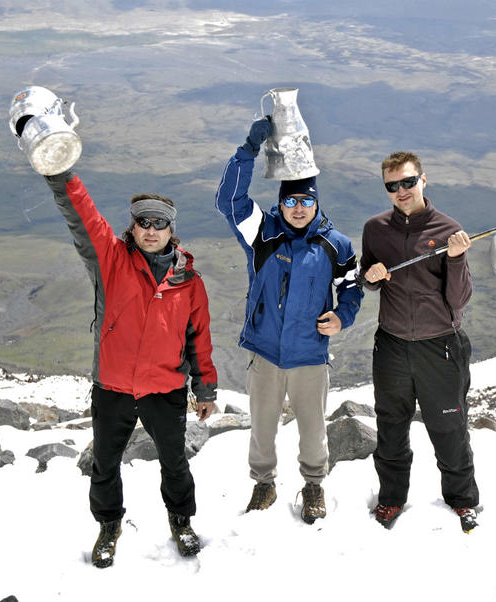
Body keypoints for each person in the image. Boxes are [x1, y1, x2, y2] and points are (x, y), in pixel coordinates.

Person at [43, 168, 218, 564]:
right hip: (114, 387)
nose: (151, 230)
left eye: (160, 224)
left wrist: (205, 388)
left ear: (172, 230)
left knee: (175, 463)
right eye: (144, 222)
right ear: (133, 227)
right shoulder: (111, 261)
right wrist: (59, 172)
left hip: (165, 389)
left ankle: (181, 521)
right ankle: (108, 526)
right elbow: (81, 215)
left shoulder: (189, 281)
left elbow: (199, 340)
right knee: (105, 465)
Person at [214, 117, 363, 524]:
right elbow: (228, 202)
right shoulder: (263, 232)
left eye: (306, 201)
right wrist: (247, 150)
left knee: (313, 429)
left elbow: (352, 287)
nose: (298, 209)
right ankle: (264, 484)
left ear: (316, 203)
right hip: (265, 350)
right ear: (280, 203)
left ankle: (313, 485)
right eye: (291, 201)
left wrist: (343, 316)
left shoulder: (336, 245)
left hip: (309, 354)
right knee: (262, 426)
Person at [359, 150, 481, 532]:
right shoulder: (376, 229)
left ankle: (463, 501)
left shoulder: (448, 230)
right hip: (392, 345)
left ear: (423, 180)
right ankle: (391, 499)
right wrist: (371, 275)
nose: (401, 190)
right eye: (392, 186)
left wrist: (457, 258)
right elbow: (367, 276)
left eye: (408, 182)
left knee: (449, 429)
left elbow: (459, 300)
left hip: (440, 347)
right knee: (391, 427)